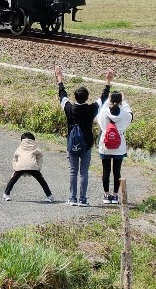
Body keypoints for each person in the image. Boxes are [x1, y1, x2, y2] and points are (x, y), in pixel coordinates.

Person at [54, 64, 114, 207]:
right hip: (86, 143)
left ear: (75, 97)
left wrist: (59, 78)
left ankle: (73, 198)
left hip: (72, 143)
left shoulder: (69, 108)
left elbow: (62, 95)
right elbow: (104, 98)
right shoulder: (92, 109)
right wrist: (108, 81)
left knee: (73, 171)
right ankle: (83, 199)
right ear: (87, 98)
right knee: (84, 173)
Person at [96, 90, 133, 204]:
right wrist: (124, 101)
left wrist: (108, 98)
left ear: (110, 100)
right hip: (119, 147)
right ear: (121, 101)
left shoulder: (103, 113)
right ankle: (116, 195)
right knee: (117, 171)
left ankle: (106, 195)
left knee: (106, 171)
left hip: (105, 146)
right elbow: (130, 114)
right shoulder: (125, 115)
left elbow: (101, 108)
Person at [3, 131, 55, 202]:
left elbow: (15, 157)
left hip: (20, 166)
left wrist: (15, 168)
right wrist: (38, 167)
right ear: (33, 139)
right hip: (32, 166)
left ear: (22, 139)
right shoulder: (34, 146)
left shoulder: (20, 147)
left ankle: (6, 194)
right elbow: (40, 155)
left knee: (13, 179)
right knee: (41, 180)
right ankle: (49, 196)